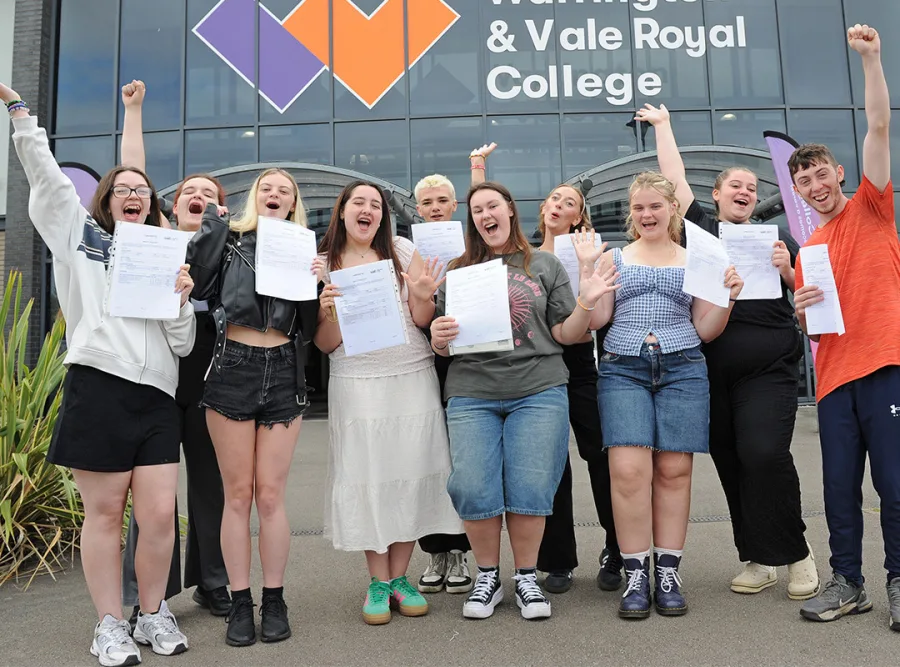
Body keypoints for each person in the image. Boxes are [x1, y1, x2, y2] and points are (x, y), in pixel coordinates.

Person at [4, 81, 194, 665]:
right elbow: (49, 183)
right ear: (107, 200)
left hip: (157, 394)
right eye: (122, 190)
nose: (133, 194)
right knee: (106, 514)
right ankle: (109, 624)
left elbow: (183, 344)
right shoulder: (78, 238)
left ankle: (152, 613)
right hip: (99, 385)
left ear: (151, 204)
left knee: (159, 515)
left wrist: (181, 300)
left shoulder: (162, 251)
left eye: (142, 191)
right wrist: (20, 114)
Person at [634, 103, 819, 600]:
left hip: (770, 367)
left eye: (751, 188)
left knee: (764, 454)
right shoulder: (701, 233)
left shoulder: (777, 238)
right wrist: (664, 127)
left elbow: (808, 296)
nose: (745, 192)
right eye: (735, 186)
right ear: (715, 195)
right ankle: (758, 557)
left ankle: (797, 553)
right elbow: (674, 180)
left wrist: (788, 271)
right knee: (732, 461)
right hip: (710, 372)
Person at [429, 180, 620, 621]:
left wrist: (586, 304)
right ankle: (488, 576)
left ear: (510, 209)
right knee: (472, 486)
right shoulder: (458, 271)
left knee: (531, 487)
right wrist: (438, 338)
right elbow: (445, 342)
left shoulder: (545, 265)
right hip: (472, 393)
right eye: (477, 210)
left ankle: (527, 577)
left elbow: (565, 334)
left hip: (538, 391)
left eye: (492, 206)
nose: (485, 215)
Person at [586, 172, 743, 619]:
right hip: (624, 366)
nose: (647, 214)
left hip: (683, 366)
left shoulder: (698, 260)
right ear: (631, 213)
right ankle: (636, 573)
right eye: (639, 207)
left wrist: (728, 298)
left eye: (655, 205)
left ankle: (668, 572)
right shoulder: (612, 258)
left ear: (673, 208)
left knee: (674, 470)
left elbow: (705, 330)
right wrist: (588, 283)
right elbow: (597, 321)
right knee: (628, 472)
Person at [468, 145, 623, 595]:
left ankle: (617, 548)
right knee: (550, 463)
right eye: (554, 198)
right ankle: (557, 560)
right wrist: (478, 169)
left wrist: (590, 268)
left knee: (600, 456)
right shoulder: (524, 255)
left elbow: (596, 317)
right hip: (536, 364)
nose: (558, 205)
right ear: (541, 209)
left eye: (568, 202)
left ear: (578, 217)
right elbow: (483, 210)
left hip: (578, 360)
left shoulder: (589, 248)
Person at [790, 24, 900, 632]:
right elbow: (817, 328)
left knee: (895, 484)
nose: (815, 186)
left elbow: (878, 126)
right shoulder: (808, 248)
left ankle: (899, 580)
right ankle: (848, 583)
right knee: (838, 489)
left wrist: (871, 60)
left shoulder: (873, 207)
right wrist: (802, 311)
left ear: (838, 172)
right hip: (834, 378)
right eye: (804, 181)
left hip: (885, 364)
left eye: (821, 174)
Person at [314, 180, 462, 625]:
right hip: (357, 382)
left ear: (383, 215)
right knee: (369, 476)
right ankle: (377, 581)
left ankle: (400, 578)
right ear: (343, 211)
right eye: (358, 202)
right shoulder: (323, 263)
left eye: (375, 205)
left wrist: (423, 295)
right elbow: (324, 343)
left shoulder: (401, 250)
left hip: (411, 376)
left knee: (409, 474)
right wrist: (327, 309)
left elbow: (421, 319)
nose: (368, 210)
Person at [186, 168, 318, 646]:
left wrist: (318, 284)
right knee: (238, 494)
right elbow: (198, 287)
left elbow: (309, 329)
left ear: (293, 203)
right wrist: (212, 225)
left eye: (285, 190)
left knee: (271, 496)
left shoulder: (303, 247)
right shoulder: (228, 238)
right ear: (255, 197)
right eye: (267, 188)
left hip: (283, 368)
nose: (275, 194)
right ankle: (240, 602)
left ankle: (274, 599)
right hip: (233, 365)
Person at [117, 81, 231, 625]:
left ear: (219, 208)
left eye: (209, 193)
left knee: (211, 487)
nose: (199, 195)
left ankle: (214, 583)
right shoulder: (158, 235)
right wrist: (134, 110)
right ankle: (151, 593)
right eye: (191, 190)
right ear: (175, 202)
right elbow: (132, 174)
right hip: (159, 376)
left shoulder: (230, 248)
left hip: (211, 381)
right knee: (153, 493)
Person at [409, 173, 473, 596]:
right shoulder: (408, 251)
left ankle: (461, 551)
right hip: (421, 361)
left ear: (454, 206)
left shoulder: (472, 249)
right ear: (418, 209)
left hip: (467, 362)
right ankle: (435, 551)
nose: (435, 207)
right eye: (428, 202)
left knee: (463, 460)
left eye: (442, 200)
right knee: (428, 457)